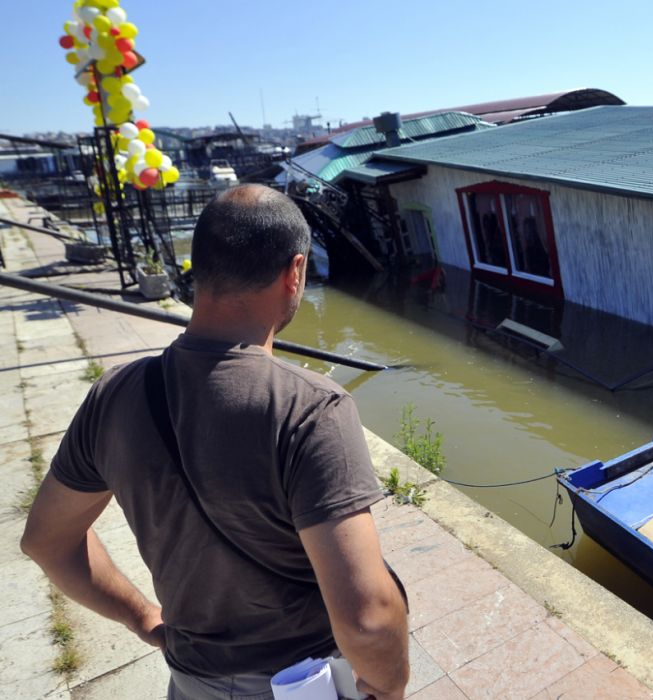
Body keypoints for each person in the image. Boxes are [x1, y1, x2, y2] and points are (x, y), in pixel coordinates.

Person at [21, 184, 409, 699]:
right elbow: (368, 621)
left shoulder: (114, 394)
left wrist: (142, 618)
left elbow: (45, 542)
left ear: (197, 267)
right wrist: (391, 688)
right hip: (303, 683)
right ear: (295, 273)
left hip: (192, 683)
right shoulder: (311, 408)